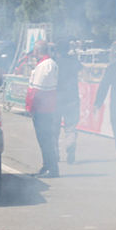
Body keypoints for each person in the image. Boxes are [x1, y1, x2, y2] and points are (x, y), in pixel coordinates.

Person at [25, 41, 59, 177]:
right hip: (45, 107)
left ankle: (52, 168)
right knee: (44, 140)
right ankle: (47, 166)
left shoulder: (45, 65)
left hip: (42, 109)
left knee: (46, 140)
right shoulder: (48, 64)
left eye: (34, 50)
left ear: (38, 51)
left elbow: (36, 90)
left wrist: (30, 107)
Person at [53, 42, 82, 164]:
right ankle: (70, 144)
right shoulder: (74, 61)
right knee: (70, 127)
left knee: (54, 129)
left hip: (56, 99)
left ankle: (55, 154)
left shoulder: (53, 62)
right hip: (72, 98)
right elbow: (81, 70)